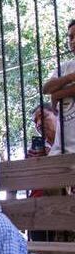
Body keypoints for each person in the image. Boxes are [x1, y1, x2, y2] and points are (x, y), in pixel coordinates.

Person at [42, 19, 75, 154]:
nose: (72, 41)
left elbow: (53, 93)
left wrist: (58, 94)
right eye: (70, 37)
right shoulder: (65, 66)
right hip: (60, 149)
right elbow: (46, 89)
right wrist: (71, 77)